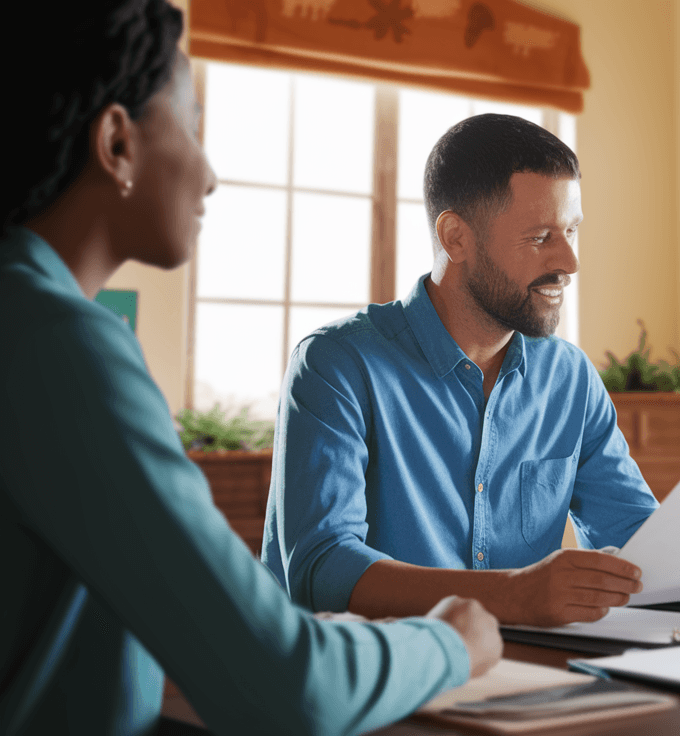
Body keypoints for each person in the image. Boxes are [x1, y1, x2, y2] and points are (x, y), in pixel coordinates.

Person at [0, 3, 501, 734]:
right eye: (192, 125)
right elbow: (289, 686)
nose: (208, 176)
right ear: (116, 142)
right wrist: (452, 641)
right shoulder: (59, 347)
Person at [263, 114, 680, 627]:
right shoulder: (336, 365)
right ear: (455, 237)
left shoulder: (569, 378)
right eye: (540, 237)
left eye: (571, 231)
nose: (569, 261)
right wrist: (512, 595)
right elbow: (322, 569)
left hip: (524, 680)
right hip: (365, 682)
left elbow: (641, 539)